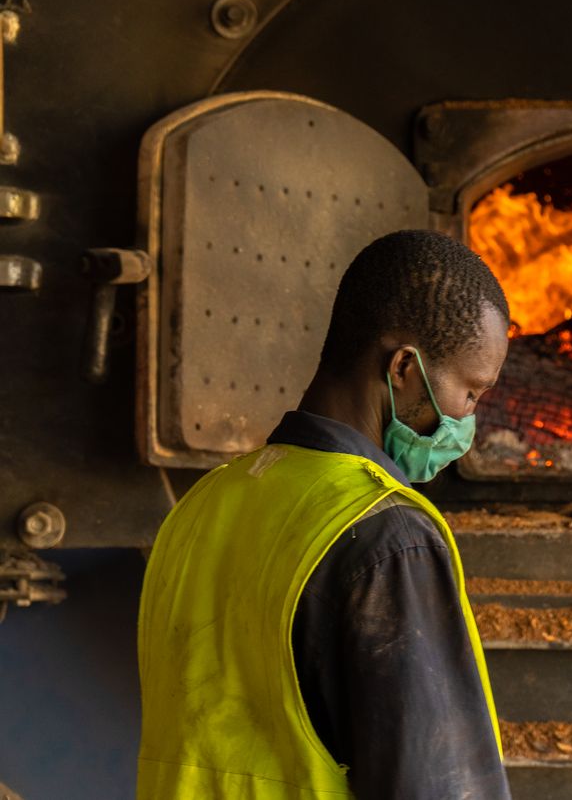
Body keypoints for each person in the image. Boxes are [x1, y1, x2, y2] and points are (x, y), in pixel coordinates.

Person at [136, 230, 512, 799]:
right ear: (404, 368)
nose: (466, 421)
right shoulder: (387, 537)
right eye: (472, 393)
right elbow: (436, 787)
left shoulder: (203, 505)